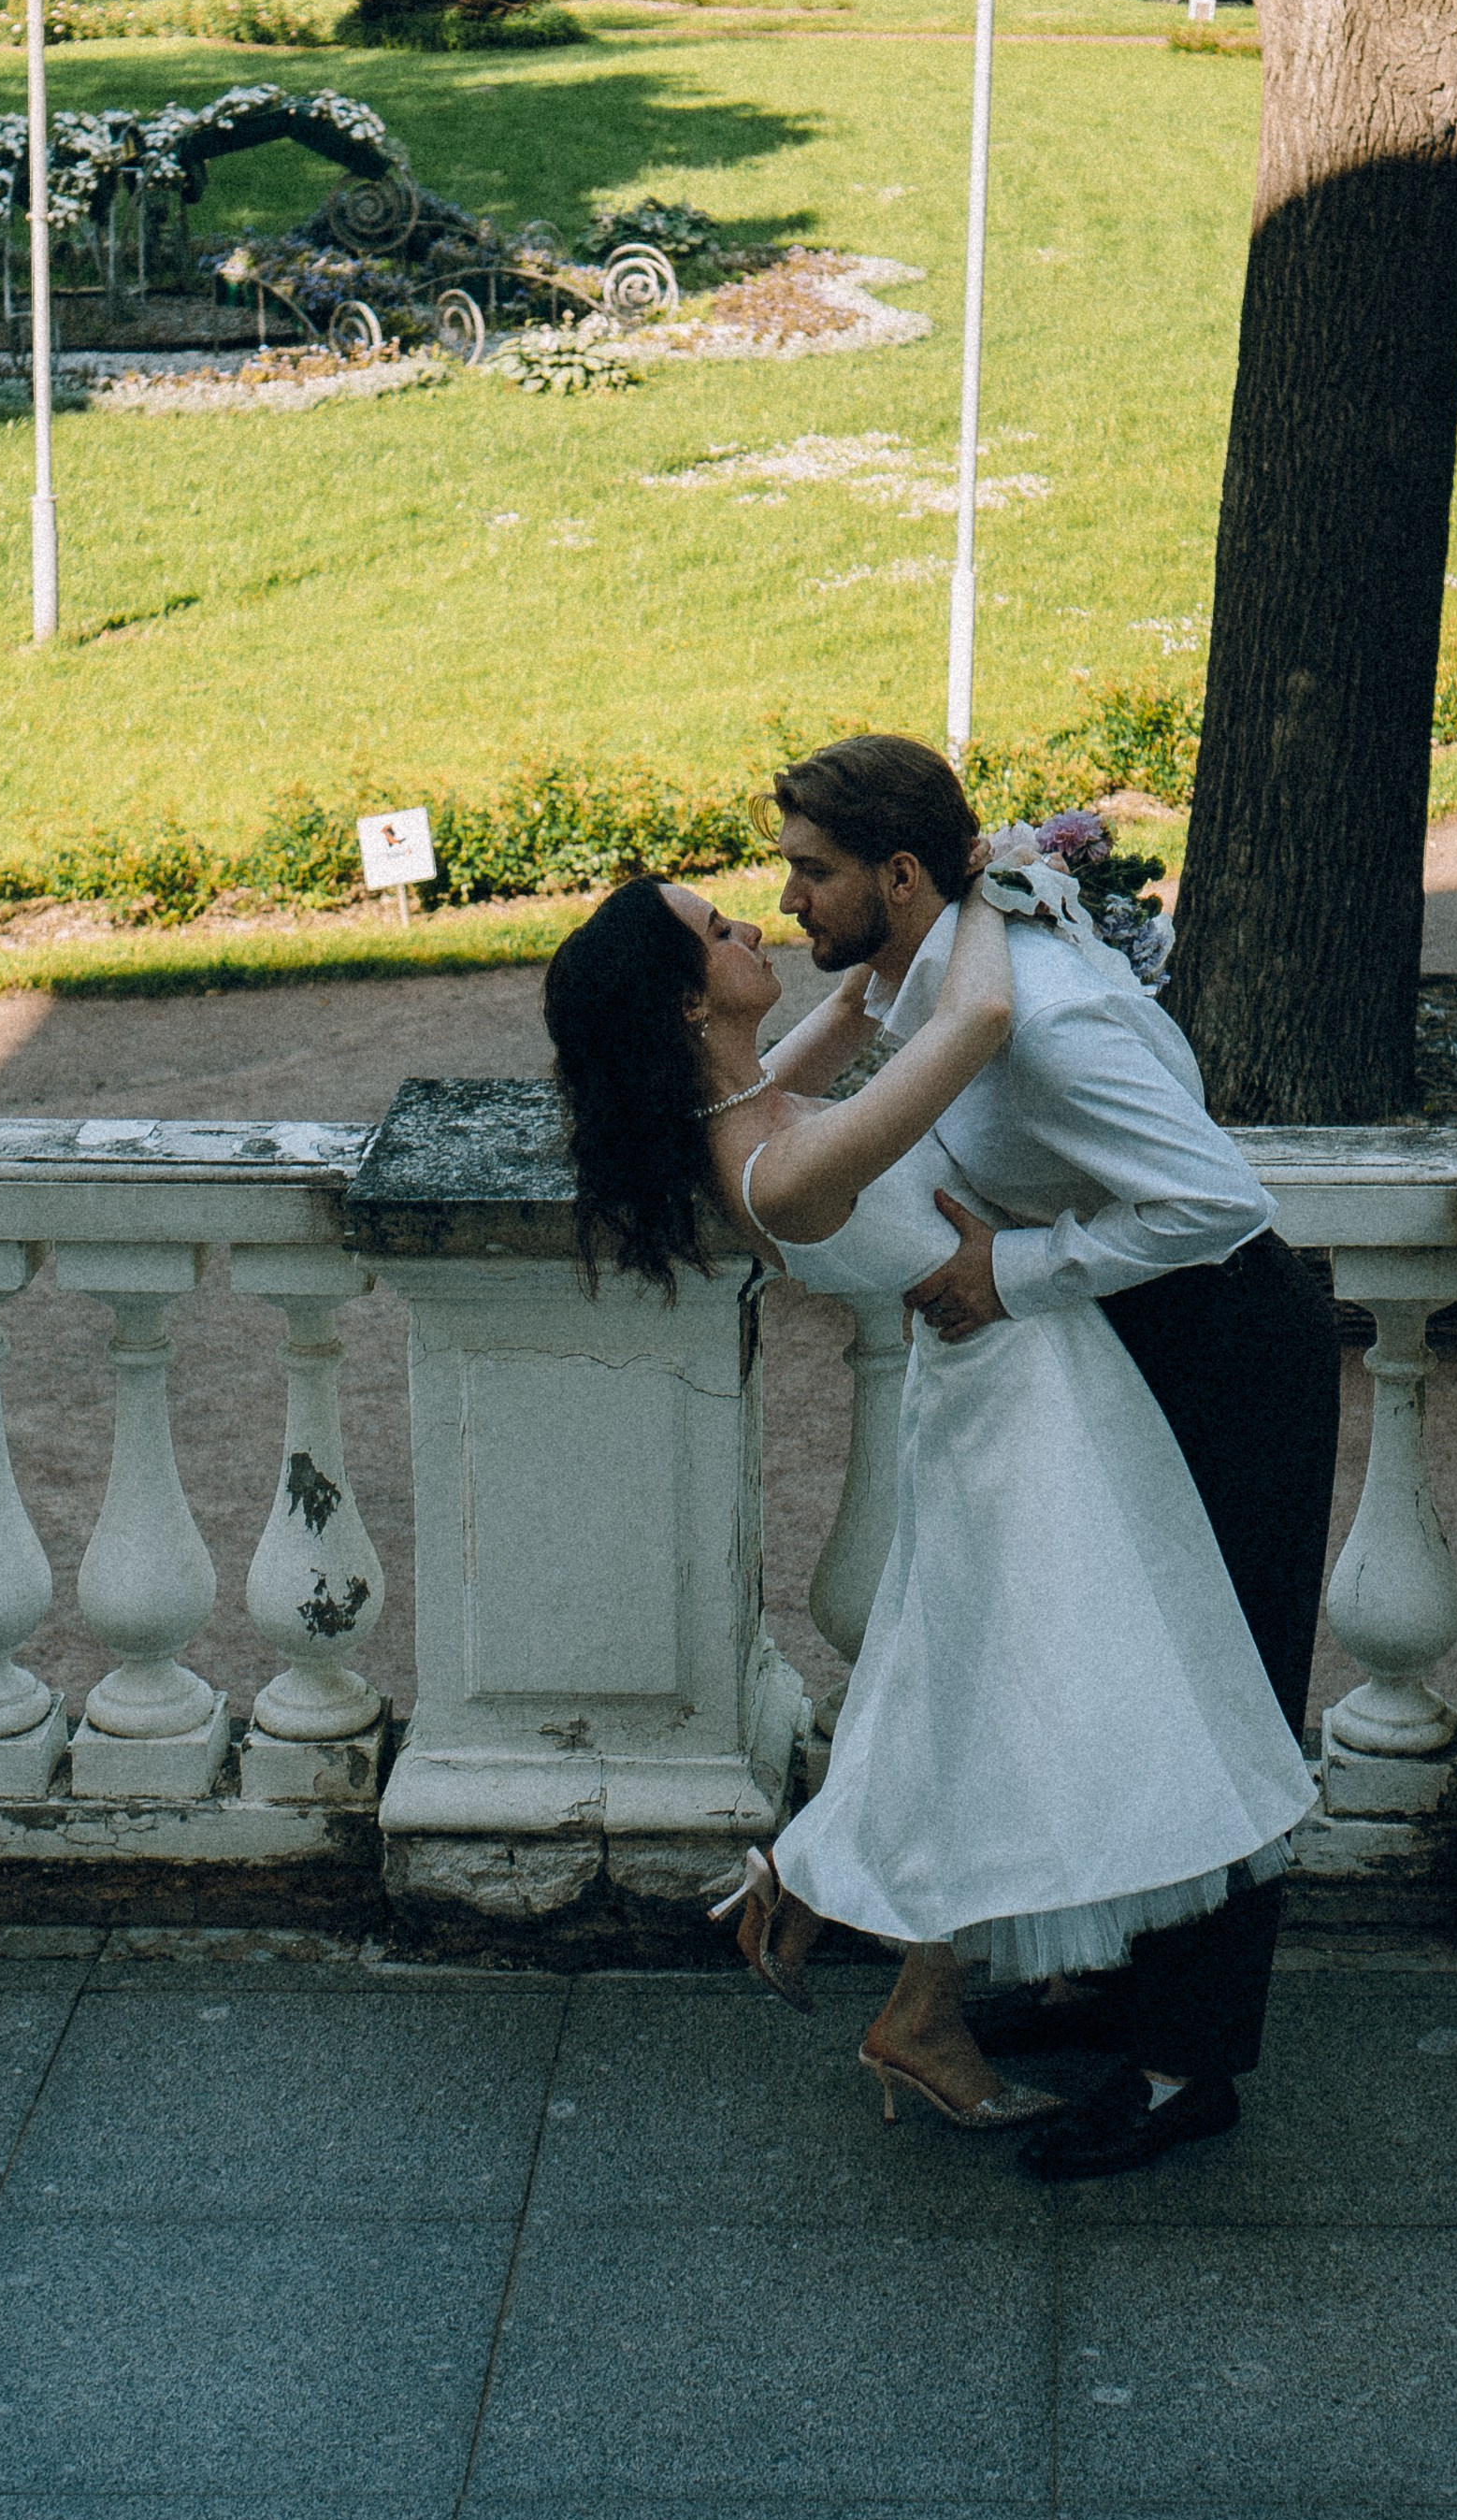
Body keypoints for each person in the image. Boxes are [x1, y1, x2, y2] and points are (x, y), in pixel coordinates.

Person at [543, 839, 1322, 2173]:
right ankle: (899, 1954)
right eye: (724, 928)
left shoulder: (749, 1101)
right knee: (1065, 1702)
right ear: (689, 1002)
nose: (761, 928)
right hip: (1022, 1405)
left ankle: (864, 1932)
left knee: (964, 1690)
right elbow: (974, 1019)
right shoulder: (783, 1164)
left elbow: (861, 1008)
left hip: (1013, 1392)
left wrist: (952, 899)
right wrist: (991, 884)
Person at [755, 731, 1340, 2179]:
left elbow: (1213, 1195)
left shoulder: (1046, 1009)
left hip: (1228, 1356)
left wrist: (1017, 1270)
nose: (788, 905)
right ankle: (1123, 1986)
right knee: (1107, 1681)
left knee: (1210, 1696)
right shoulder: (948, 968)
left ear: (902, 874)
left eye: (812, 875)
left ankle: (1180, 2070)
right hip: (1128, 1348)